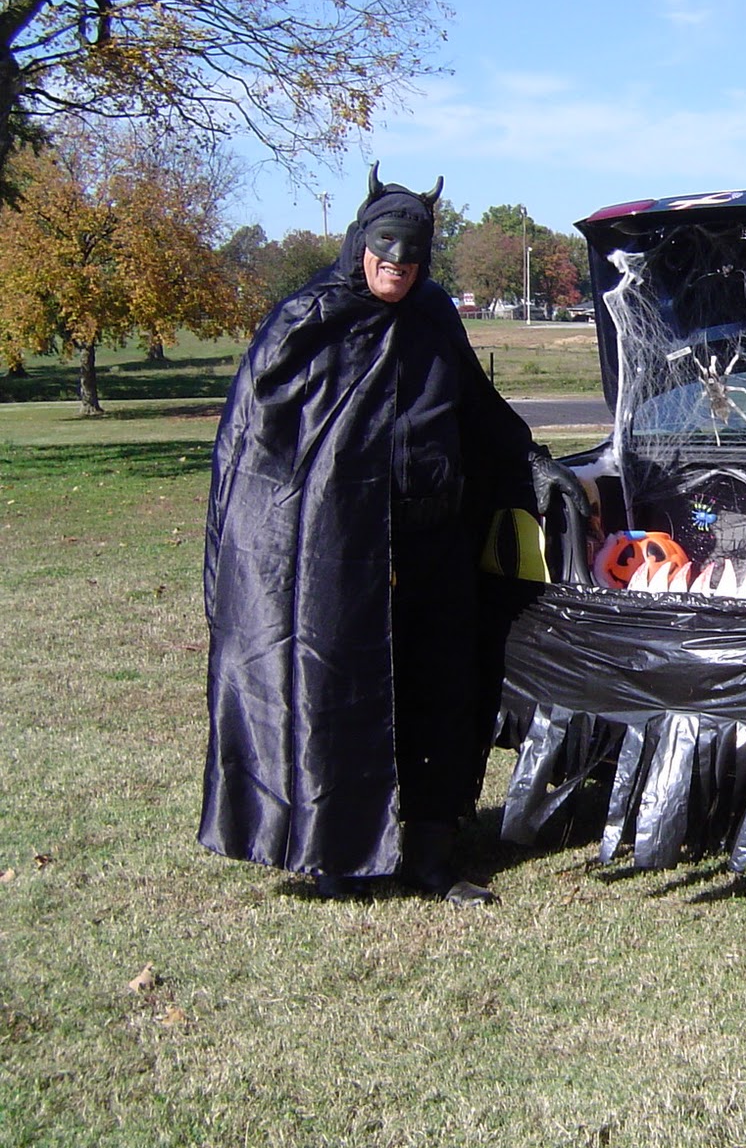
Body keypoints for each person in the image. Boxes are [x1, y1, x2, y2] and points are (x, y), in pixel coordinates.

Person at [199, 166, 586, 905]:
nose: (397, 270)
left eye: (411, 259)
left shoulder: (435, 314)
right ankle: (338, 856)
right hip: (337, 552)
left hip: (434, 542)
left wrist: (529, 461)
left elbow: (474, 403)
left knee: (441, 689)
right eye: (385, 254)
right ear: (360, 244)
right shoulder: (308, 319)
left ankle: (431, 853)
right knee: (338, 694)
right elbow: (257, 438)